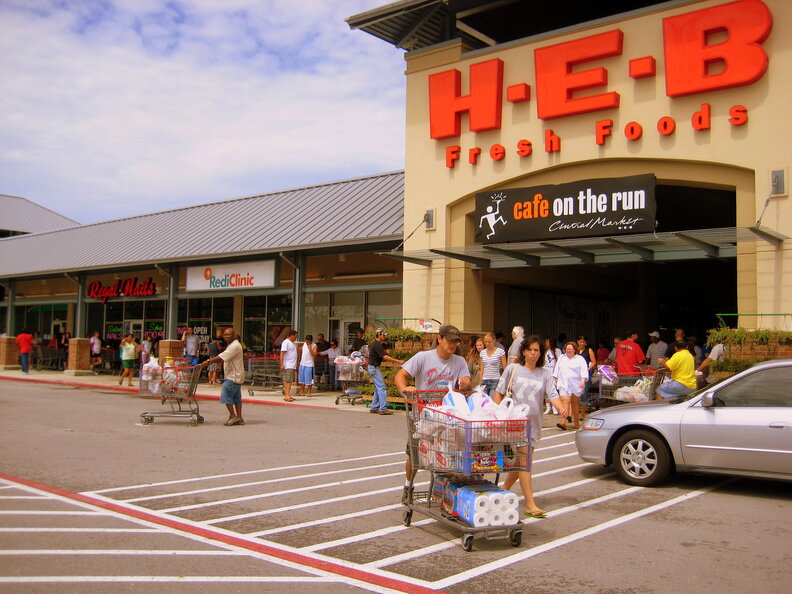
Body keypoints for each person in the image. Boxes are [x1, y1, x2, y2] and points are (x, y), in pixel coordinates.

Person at [394, 324, 472, 505]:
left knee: (448, 453)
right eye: (449, 341)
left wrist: (466, 383)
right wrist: (405, 388)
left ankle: (443, 491)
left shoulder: (459, 361)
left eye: (456, 342)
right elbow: (400, 375)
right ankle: (408, 485)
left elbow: (467, 383)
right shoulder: (423, 357)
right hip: (423, 416)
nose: (452, 345)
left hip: (448, 416)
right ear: (440, 339)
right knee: (414, 454)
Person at [494, 335, 565, 518]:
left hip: (534, 424)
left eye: (536, 350)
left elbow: (552, 394)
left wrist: (561, 408)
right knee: (525, 462)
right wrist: (495, 414)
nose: (533, 353)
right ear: (523, 352)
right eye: (530, 350)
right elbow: (499, 393)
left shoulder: (545, 374)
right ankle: (530, 504)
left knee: (520, 462)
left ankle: (502, 491)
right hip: (515, 423)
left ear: (540, 353)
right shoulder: (513, 369)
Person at [201, 327, 245, 425]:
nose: (226, 336)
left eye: (229, 334)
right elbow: (224, 357)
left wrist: (207, 361)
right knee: (236, 398)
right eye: (225, 335)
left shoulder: (235, 346)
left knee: (226, 394)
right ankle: (239, 418)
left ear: (234, 335)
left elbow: (221, 356)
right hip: (236, 376)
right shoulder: (232, 345)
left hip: (233, 377)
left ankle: (233, 416)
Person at [553, 341, 589, 430]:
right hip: (563, 382)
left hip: (576, 384)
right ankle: (563, 422)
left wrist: (583, 380)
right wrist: (554, 378)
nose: (568, 350)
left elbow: (584, 370)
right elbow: (557, 368)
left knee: (575, 403)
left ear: (574, 350)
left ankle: (576, 422)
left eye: (570, 349)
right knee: (565, 400)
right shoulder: (562, 357)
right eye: (567, 349)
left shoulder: (580, 359)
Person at [368, 329, 405, 415]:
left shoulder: (377, 344)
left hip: (373, 367)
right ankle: (383, 409)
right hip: (374, 368)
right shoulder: (377, 345)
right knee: (382, 388)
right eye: (384, 335)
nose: (385, 337)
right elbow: (385, 356)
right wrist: (399, 361)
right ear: (379, 335)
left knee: (378, 388)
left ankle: (374, 407)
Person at [480, 332, 506, 397]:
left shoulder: (500, 351)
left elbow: (505, 368)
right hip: (484, 380)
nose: (487, 344)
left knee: (492, 399)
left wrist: (504, 381)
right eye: (485, 342)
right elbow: (482, 369)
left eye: (489, 342)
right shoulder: (482, 352)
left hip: (495, 380)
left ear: (494, 340)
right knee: (484, 400)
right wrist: (480, 382)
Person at [576, 335, 596, 418]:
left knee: (584, 394)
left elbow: (594, 362)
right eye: (580, 342)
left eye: (583, 342)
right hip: (575, 375)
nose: (582, 343)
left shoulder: (589, 350)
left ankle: (582, 413)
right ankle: (575, 413)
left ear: (586, 343)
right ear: (577, 342)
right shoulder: (575, 350)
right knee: (575, 394)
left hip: (585, 375)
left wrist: (587, 369)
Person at [542, 336, 562, 414]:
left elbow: (559, 363)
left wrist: (557, 375)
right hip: (545, 371)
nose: (546, 343)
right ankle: (548, 407)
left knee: (554, 390)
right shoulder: (544, 351)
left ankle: (554, 407)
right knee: (545, 391)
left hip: (554, 372)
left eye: (547, 342)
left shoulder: (557, 350)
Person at [280, 330, 299, 402]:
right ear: (292, 335)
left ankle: (287, 394)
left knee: (288, 380)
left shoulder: (292, 343)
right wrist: (282, 364)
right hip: (288, 364)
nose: (296, 338)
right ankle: (287, 396)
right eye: (295, 336)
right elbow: (282, 353)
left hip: (292, 364)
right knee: (288, 381)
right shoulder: (286, 342)